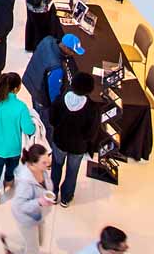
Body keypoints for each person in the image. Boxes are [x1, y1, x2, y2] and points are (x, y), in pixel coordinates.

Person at [0, 73, 36, 204]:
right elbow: (29, 129)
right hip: (14, 146)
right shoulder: (21, 107)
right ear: (16, 89)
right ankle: (9, 181)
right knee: (12, 165)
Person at [50, 71, 101, 207]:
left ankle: (53, 193)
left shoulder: (60, 99)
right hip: (77, 147)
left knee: (56, 166)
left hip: (59, 141)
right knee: (72, 171)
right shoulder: (93, 108)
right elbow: (91, 133)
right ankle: (66, 197)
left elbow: (52, 119)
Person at [23, 33, 85, 139]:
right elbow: (54, 95)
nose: (73, 54)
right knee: (48, 124)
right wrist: (57, 110)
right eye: (72, 51)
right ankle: (48, 141)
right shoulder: (56, 67)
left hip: (33, 81)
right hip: (42, 97)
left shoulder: (48, 40)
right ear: (65, 47)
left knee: (37, 110)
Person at [8, 144, 55, 254]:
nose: (48, 163)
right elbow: (20, 206)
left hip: (38, 215)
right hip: (27, 219)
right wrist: (39, 202)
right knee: (33, 249)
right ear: (34, 163)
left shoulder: (42, 170)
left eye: (48, 159)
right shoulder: (25, 183)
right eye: (44, 162)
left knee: (38, 241)